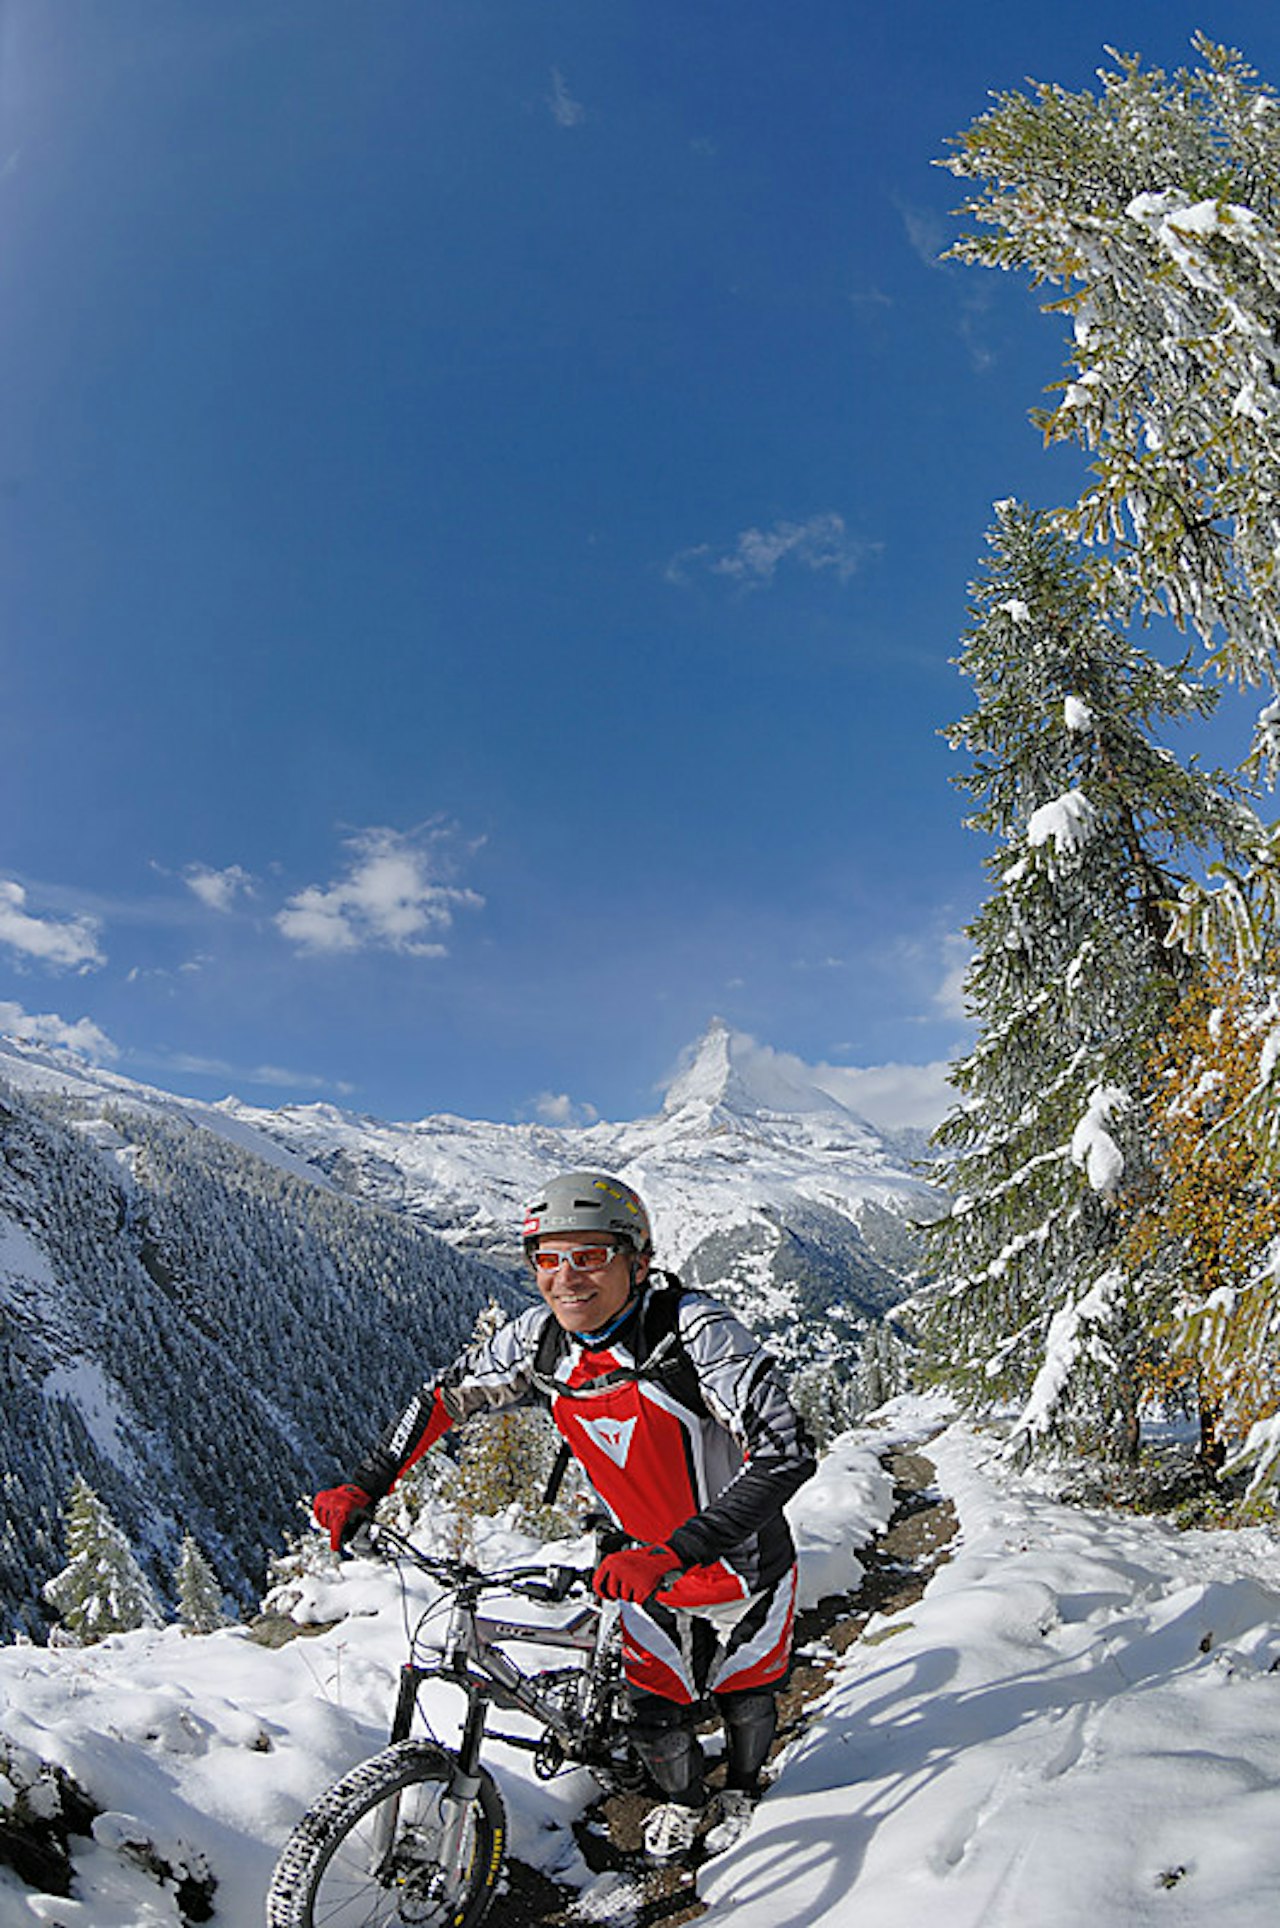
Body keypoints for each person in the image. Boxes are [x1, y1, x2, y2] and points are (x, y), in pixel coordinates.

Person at [314, 1169, 815, 1862]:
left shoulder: (694, 1332)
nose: (565, 1278)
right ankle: (684, 1802)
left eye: (589, 1256)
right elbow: (443, 1399)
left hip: (738, 1560)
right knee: (650, 1706)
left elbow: (786, 1453)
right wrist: (366, 1485)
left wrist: (676, 1550)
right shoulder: (539, 1340)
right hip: (637, 1570)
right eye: (547, 1259)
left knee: (746, 1689)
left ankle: (744, 1787)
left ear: (638, 1262)